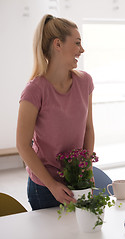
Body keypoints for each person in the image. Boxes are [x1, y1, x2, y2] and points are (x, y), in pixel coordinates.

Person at [16, 14, 95, 210]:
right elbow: (23, 145)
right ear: (58, 44)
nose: (82, 50)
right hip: (44, 186)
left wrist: (87, 171)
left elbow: (88, 129)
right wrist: (52, 186)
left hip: (77, 180)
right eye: (77, 43)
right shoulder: (34, 90)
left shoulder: (85, 82)